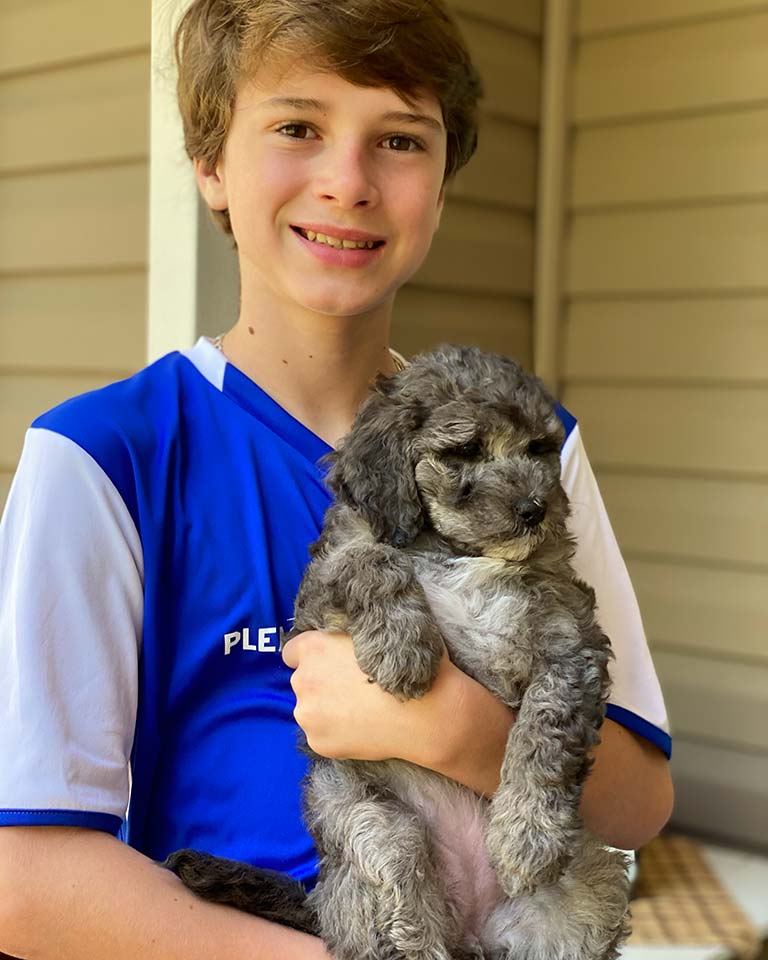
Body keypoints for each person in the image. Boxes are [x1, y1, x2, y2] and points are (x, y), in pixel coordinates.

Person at [0, 1, 673, 958]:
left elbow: (641, 801)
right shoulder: (105, 458)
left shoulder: (533, 448)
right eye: (297, 127)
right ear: (210, 162)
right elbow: (28, 886)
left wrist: (460, 729)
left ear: (441, 186)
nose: (347, 182)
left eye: (400, 139)